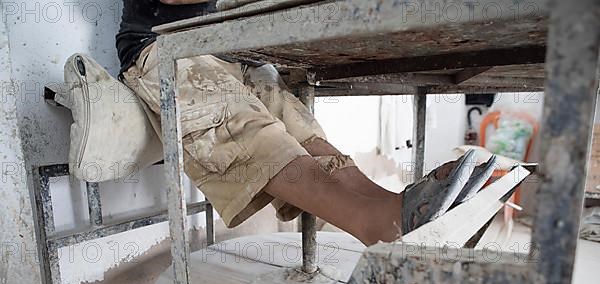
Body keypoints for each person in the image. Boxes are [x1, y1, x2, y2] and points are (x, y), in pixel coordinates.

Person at [116, 0, 495, 246]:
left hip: (235, 55)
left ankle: (394, 206)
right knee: (252, 134)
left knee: (304, 132)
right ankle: (373, 224)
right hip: (161, 48)